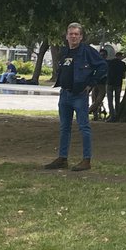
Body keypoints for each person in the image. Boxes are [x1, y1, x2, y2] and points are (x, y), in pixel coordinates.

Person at [44, 22, 107, 172]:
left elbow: (102, 66)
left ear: (81, 37)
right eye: (71, 34)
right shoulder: (65, 51)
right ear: (67, 36)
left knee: (84, 127)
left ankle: (86, 160)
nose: (73, 36)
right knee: (64, 127)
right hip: (65, 94)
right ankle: (62, 158)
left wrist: (91, 83)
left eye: (76, 34)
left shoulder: (87, 51)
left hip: (79, 95)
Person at [105, 49, 126, 120]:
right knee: (117, 100)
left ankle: (112, 115)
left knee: (110, 100)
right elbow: (124, 76)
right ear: (121, 57)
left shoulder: (110, 63)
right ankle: (117, 114)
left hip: (109, 82)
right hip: (118, 83)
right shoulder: (122, 64)